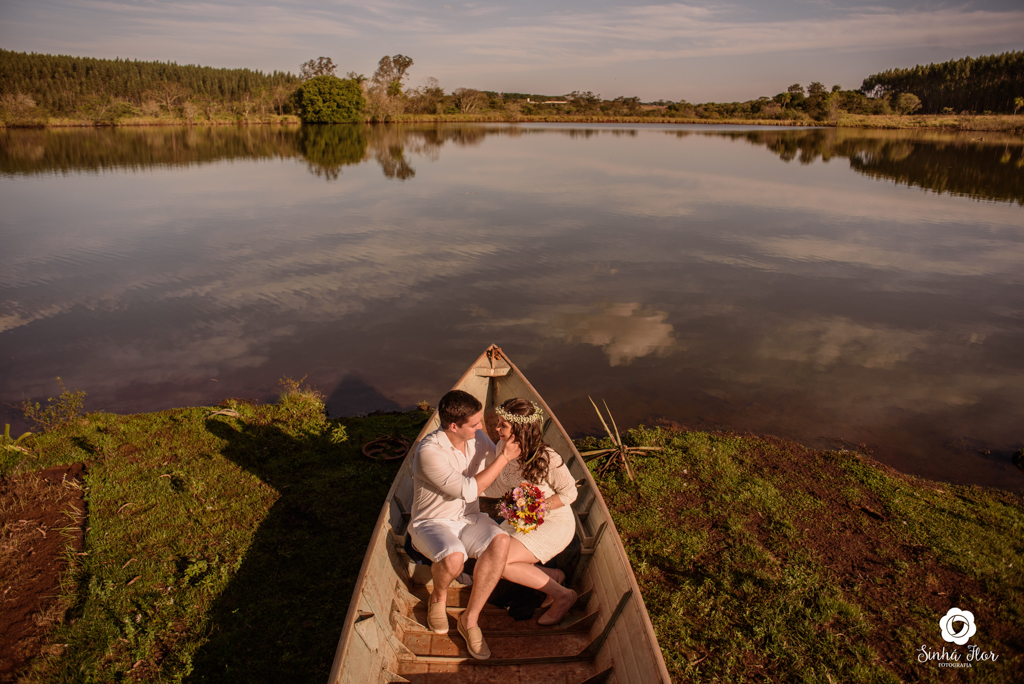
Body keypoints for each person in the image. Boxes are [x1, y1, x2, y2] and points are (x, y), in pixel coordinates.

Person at [408, 389, 521, 660]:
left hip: (468, 518)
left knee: (500, 541)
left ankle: (469, 620)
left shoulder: (476, 438)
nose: (482, 428)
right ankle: (439, 597)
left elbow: (496, 468)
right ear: (454, 426)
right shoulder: (429, 452)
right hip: (432, 522)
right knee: (454, 557)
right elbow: (469, 490)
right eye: (475, 424)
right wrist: (504, 457)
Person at [484, 397, 578, 625]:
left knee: (501, 562)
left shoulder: (548, 458)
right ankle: (555, 577)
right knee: (493, 555)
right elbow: (500, 485)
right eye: (498, 423)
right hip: (522, 519)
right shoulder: (502, 448)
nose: (496, 429)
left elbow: (570, 494)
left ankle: (563, 596)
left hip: (553, 521)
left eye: (502, 425)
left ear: (520, 428)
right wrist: (468, 490)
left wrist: (536, 508)